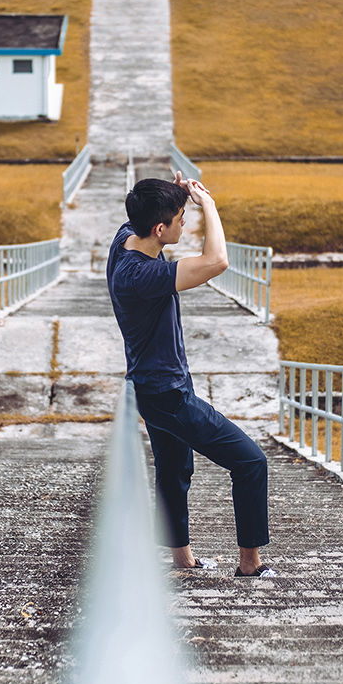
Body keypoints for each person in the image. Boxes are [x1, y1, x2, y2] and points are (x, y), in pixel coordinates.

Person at [106, 172, 276, 578]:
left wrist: (178, 193)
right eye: (181, 219)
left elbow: (145, 205)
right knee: (251, 462)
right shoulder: (141, 276)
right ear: (160, 229)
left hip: (153, 385)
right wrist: (209, 205)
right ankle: (250, 565)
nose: (186, 224)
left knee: (173, 469)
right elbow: (217, 261)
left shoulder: (125, 239)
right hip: (168, 393)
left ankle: (182, 560)